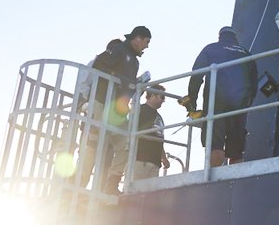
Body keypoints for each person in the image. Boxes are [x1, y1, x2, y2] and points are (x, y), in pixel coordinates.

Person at [76, 25, 152, 190]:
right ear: (137, 38)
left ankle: (111, 183)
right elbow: (99, 66)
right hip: (101, 102)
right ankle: (78, 186)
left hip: (117, 110)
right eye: (146, 42)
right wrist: (119, 79)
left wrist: (137, 84)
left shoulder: (134, 62)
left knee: (126, 142)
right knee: (92, 145)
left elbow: (128, 86)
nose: (147, 46)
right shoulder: (117, 49)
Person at [180, 26, 257, 166]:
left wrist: (193, 100)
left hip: (216, 102)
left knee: (215, 143)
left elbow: (197, 74)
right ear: (235, 37)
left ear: (220, 36)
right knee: (236, 148)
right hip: (239, 104)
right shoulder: (246, 53)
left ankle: (214, 177)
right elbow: (254, 84)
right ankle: (235, 179)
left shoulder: (210, 49)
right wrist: (246, 105)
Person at [107, 85, 170, 190]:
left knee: (149, 196)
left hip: (154, 162)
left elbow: (159, 139)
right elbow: (130, 131)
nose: (163, 101)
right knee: (133, 192)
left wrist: (163, 158)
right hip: (139, 159)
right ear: (153, 95)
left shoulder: (159, 117)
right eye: (162, 97)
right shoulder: (139, 111)